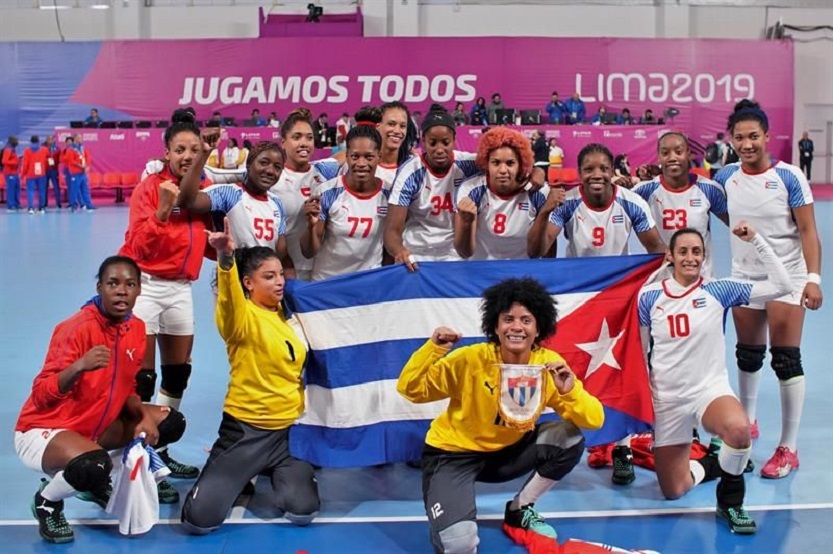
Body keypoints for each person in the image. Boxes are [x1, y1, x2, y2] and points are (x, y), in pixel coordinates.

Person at [397, 277, 604, 553]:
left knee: (568, 438)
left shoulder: (547, 365)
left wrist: (569, 393)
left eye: (526, 320)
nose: (516, 327)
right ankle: (448, 518)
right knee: (460, 545)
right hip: (452, 455)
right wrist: (433, 348)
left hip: (507, 454)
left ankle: (520, 509)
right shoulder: (471, 359)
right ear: (495, 326)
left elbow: (595, 420)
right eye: (508, 319)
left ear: (538, 327)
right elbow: (411, 389)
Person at [14, 256, 187, 543]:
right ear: (100, 287)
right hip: (44, 429)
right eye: (113, 284)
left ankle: (93, 480)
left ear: (138, 290)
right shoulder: (76, 328)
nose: (122, 290)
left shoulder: (136, 329)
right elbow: (41, 393)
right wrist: (78, 366)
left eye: (130, 284)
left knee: (170, 422)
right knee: (92, 465)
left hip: (95, 426)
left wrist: (143, 417)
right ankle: (48, 501)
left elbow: (127, 389)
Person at [638, 223, 793, 533]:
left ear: (704, 256)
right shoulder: (649, 296)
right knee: (674, 489)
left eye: (697, 251)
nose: (690, 258)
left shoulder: (718, 290)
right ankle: (713, 464)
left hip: (708, 390)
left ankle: (731, 502)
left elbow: (782, 285)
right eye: (683, 251)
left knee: (738, 430)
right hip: (666, 398)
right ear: (670, 256)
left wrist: (758, 240)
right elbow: (641, 352)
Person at [181, 223, 318, 533]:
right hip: (245, 430)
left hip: (287, 433)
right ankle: (241, 471)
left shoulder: (288, 314)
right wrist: (225, 257)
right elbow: (229, 299)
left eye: (280, 274)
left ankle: (265, 472)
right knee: (199, 522)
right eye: (269, 277)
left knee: (303, 511)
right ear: (249, 283)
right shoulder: (240, 319)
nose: (280, 282)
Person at [714, 100, 823, 479]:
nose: (747, 144)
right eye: (740, 138)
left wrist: (813, 278)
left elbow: (809, 231)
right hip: (745, 277)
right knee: (747, 354)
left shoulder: (790, 177)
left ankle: (788, 448)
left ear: (766, 136)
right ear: (731, 139)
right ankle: (748, 423)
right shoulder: (726, 176)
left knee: (785, 359)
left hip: (787, 279)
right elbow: (707, 204)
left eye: (753, 137)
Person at [117, 108, 212, 481]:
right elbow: (136, 246)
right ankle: (133, 453)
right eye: (180, 149)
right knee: (142, 378)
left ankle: (160, 448)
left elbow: (200, 241)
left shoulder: (202, 192)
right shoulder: (149, 188)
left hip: (181, 290)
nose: (186, 156)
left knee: (177, 374)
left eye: (193, 149)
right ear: (167, 153)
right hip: (148, 286)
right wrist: (161, 209)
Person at [177, 130, 293, 288]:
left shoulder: (277, 203)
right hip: (233, 283)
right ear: (249, 164)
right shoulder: (229, 193)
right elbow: (187, 200)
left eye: (277, 167)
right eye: (264, 162)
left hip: (266, 289)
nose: (270, 170)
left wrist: (291, 290)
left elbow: (283, 255)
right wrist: (203, 154)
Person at [527, 143, 665, 260]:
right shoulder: (566, 203)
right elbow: (536, 252)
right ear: (579, 173)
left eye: (604, 169)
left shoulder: (633, 203)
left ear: (612, 172)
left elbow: (656, 248)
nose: (597, 175)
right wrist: (545, 211)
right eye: (588, 169)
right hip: (579, 283)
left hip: (618, 282)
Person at [384, 106, 480, 270]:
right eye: (433, 143)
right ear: (423, 141)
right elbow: (391, 231)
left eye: (446, 142)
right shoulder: (410, 173)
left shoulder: (469, 164)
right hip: (417, 256)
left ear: (454, 140)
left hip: (454, 256)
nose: (439, 149)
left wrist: (536, 171)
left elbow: (508, 163)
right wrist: (399, 251)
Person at [454, 128, 562, 260]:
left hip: (522, 274)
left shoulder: (539, 192)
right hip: (482, 270)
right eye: (496, 163)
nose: (503, 170)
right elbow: (464, 253)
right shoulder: (471, 190)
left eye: (510, 163)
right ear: (486, 164)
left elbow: (540, 252)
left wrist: (544, 213)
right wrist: (467, 223)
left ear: (521, 165)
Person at [633, 132, 728, 278]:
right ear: (659, 156)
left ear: (688, 154)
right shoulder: (645, 191)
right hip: (661, 281)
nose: (672, 158)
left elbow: (734, 223)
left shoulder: (709, 190)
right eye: (665, 153)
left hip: (702, 281)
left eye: (678, 152)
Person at [301, 124, 389, 280]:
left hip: (367, 284)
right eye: (355, 156)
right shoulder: (326, 192)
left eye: (368, 157)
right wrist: (310, 226)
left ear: (379, 156)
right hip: (328, 283)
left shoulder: (389, 195)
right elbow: (309, 252)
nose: (361, 164)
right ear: (347, 156)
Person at [271, 108, 342, 281]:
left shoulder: (324, 170)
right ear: (283, 142)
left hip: (323, 270)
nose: (304, 143)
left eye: (309, 138)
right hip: (285, 271)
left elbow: (349, 154)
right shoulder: (272, 177)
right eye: (297, 137)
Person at [22, 135, 50, 214]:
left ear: (30, 141)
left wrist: (22, 175)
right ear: (38, 141)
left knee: (30, 191)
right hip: (41, 173)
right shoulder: (45, 149)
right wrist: (49, 167)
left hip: (30, 174)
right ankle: (41, 208)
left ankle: (31, 208)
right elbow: (49, 159)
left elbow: (25, 164)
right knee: (42, 191)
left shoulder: (27, 151)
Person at [2, 135, 21, 212]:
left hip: (15, 173)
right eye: (16, 141)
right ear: (12, 141)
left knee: (17, 189)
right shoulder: (8, 150)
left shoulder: (13, 149)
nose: (18, 142)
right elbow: (4, 161)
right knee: (11, 190)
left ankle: (16, 204)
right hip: (10, 173)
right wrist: (15, 162)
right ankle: (10, 206)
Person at [44, 136, 61, 208]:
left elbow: (60, 159)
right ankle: (44, 203)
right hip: (45, 170)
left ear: (54, 140)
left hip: (54, 170)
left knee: (56, 187)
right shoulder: (43, 148)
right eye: (48, 139)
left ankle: (58, 203)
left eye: (51, 139)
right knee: (44, 187)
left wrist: (55, 162)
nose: (50, 141)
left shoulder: (57, 148)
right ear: (46, 140)